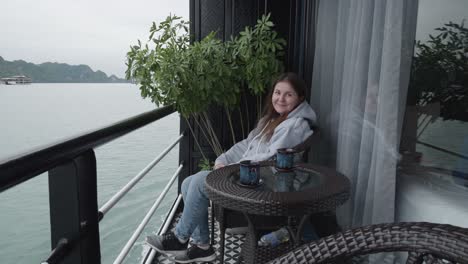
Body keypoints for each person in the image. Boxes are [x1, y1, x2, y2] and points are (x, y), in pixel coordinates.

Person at [145, 72, 317, 263]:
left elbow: (270, 158)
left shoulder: (294, 126)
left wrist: (230, 170)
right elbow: (247, 144)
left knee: (202, 181)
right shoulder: (272, 119)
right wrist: (223, 159)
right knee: (188, 182)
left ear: (300, 98)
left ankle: (180, 238)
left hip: (270, 187)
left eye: (288, 94)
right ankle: (202, 246)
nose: (281, 99)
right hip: (252, 176)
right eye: (277, 92)